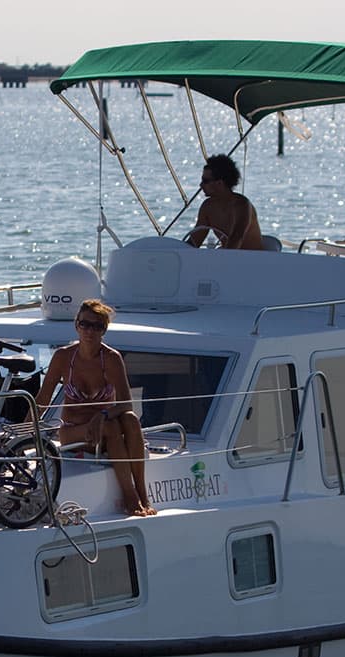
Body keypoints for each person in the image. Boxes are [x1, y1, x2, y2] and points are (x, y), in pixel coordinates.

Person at [34, 299, 156, 517]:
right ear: (76, 325)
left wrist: (102, 415)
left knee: (130, 419)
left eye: (96, 326)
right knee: (111, 427)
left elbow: (126, 403)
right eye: (85, 324)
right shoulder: (63, 357)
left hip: (104, 429)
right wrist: (23, 433)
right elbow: (43, 398)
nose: (89, 331)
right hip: (73, 431)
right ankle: (130, 497)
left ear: (104, 330)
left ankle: (142, 493)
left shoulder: (110, 358)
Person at [184, 154, 263, 250]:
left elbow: (236, 238)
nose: (201, 185)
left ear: (219, 183)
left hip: (253, 259)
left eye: (205, 181)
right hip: (228, 256)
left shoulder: (241, 205)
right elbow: (194, 242)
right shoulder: (208, 207)